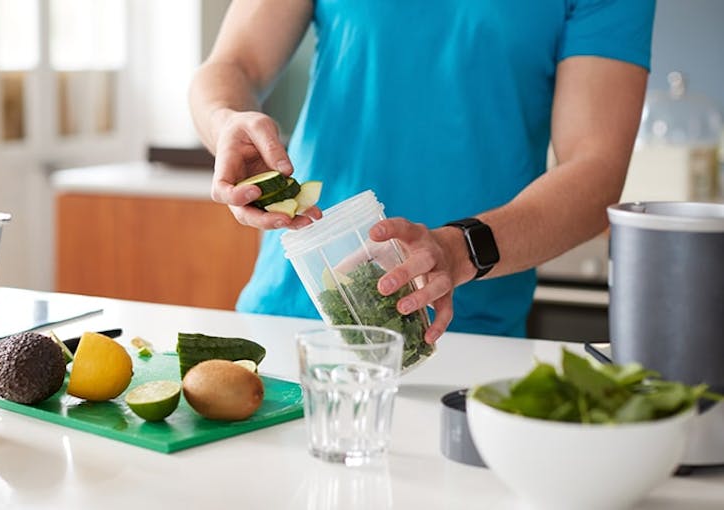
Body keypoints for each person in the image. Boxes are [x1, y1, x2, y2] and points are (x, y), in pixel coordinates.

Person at [188, 1, 656, 344]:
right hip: (290, 321)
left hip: (466, 341)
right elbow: (234, 64)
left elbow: (595, 171)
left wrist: (458, 250)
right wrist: (225, 120)